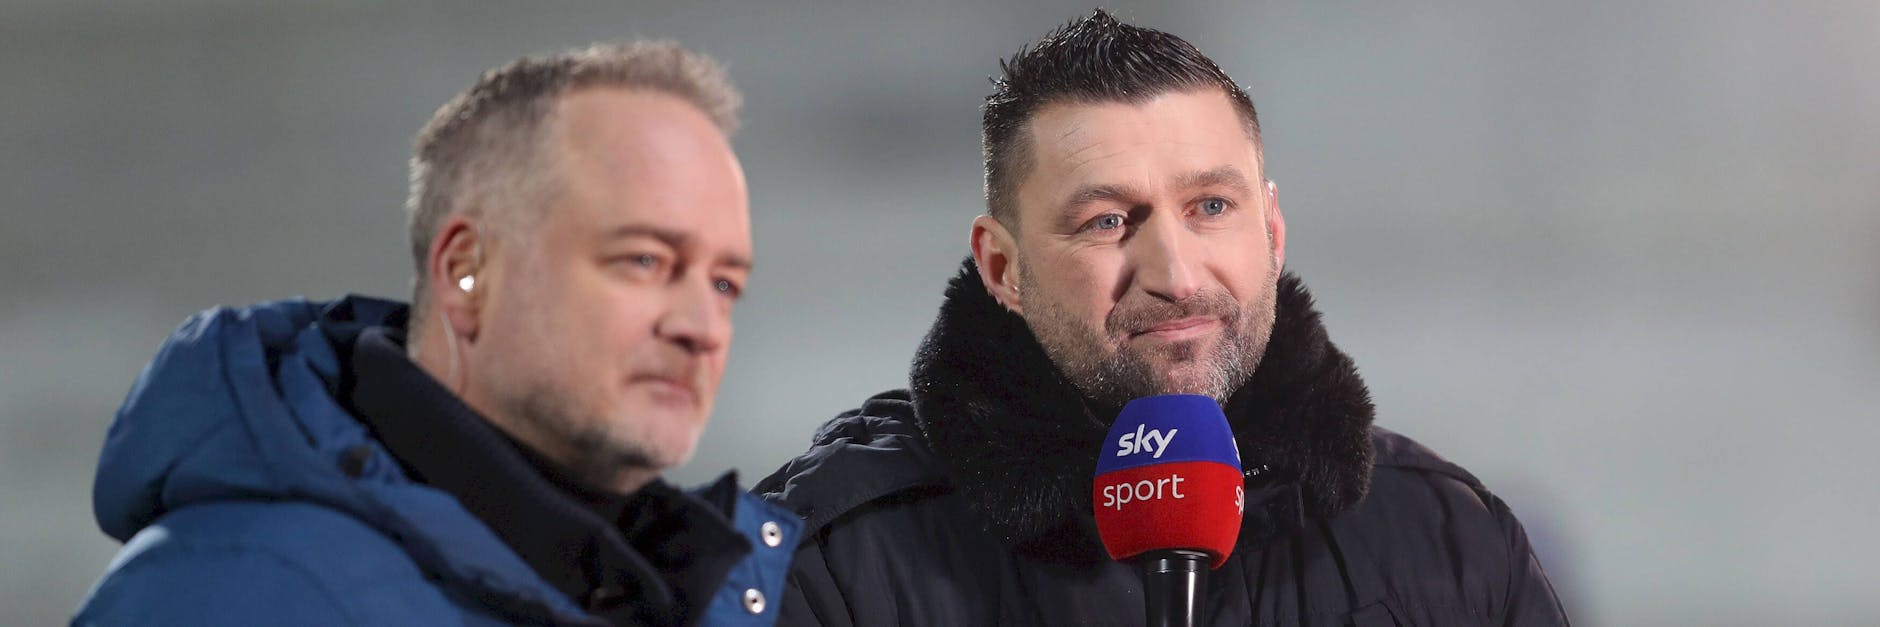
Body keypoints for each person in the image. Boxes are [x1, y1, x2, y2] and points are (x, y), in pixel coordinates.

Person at [756, 11, 1568, 626]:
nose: (1176, 276)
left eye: (1211, 205)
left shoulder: (1450, 541)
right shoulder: (821, 563)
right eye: (1108, 220)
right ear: (1002, 267)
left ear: (1272, 231)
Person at [74, 41, 798, 626]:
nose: (703, 327)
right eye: (645, 260)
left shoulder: (701, 593)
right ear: (464, 272)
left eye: (725, 282)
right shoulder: (233, 595)